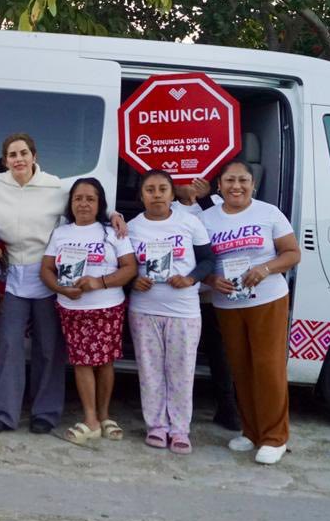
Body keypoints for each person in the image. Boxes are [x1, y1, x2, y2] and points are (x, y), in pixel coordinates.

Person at [202, 159, 302, 465]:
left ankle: (275, 437)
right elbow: (202, 262)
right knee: (241, 368)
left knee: (268, 367)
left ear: (253, 184)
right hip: (228, 303)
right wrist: (211, 280)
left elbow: (293, 253)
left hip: (267, 299)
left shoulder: (268, 213)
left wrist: (265, 268)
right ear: (219, 186)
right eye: (230, 180)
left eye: (243, 180)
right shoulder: (207, 218)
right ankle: (252, 431)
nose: (236, 186)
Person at [0, 133, 70, 435]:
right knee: (10, 346)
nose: (19, 159)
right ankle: (4, 414)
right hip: (13, 273)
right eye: (12, 154)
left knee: (48, 348)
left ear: (34, 156)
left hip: (46, 274)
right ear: (5, 160)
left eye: (24, 153)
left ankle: (45, 412)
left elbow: (88, 201)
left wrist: (114, 214)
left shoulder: (55, 187)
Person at [41, 178, 137, 445]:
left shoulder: (111, 232)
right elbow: (46, 269)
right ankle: (91, 419)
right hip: (72, 309)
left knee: (105, 362)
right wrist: (60, 288)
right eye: (78, 198)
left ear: (99, 204)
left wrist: (100, 282)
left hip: (107, 308)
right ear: (71, 204)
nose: (83, 203)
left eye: (90, 199)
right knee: (82, 362)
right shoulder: (61, 233)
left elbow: (129, 268)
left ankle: (105, 416)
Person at [127, 170, 214, 454]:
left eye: (162, 188)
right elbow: (123, 266)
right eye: (150, 189)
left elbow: (207, 261)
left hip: (183, 310)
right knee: (150, 371)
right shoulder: (132, 228)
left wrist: (190, 279)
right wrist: (132, 280)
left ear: (172, 192)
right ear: (141, 196)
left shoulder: (189, 223)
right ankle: (156, 426)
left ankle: (179, 430)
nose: (156, 194)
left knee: (181, 372)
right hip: (144, 309)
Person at [173, 177, 242, 431]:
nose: (188, 182)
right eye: (180, 178)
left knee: (220, 353)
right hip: (181, 294)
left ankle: (227, 407)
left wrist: (204, 198)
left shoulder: (217, 203)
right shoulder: (169, 209)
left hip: (215, 293)